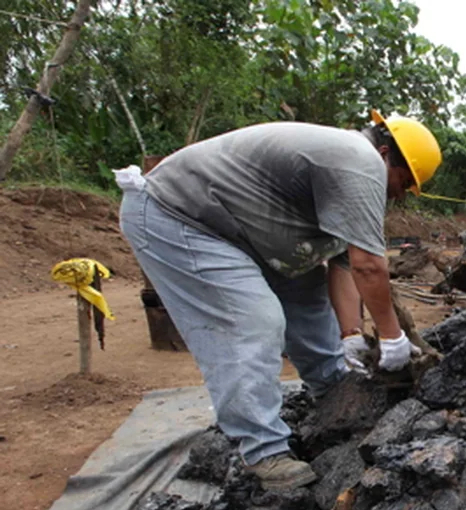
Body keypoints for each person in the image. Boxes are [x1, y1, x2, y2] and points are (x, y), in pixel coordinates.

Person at [117, 110, 442, 490]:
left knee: (307, 297)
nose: (399, 195)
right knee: (251, 321)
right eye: (403, 182)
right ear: (385, 154)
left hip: (246, 233)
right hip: (177, 216)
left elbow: (343, 264)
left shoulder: (347, 168)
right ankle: (263, 450)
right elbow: (368, 266)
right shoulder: (361, 160)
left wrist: (351, 333)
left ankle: (333, 394)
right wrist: (392, 336)